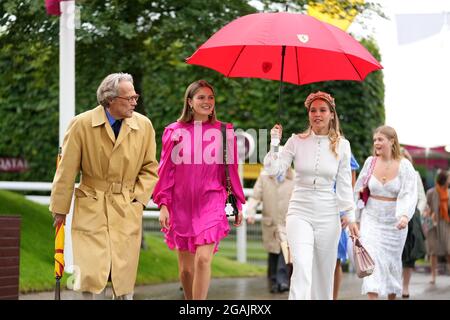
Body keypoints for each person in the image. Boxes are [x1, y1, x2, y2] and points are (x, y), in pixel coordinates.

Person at [50, 72, 159, 300]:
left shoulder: (144, 126)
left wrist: (138, 201)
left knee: (123, 276)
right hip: (91, 205)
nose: (134, 102)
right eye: (128, 98)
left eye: (135, 97)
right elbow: (66, 170)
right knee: (91, 273)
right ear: (110, 100)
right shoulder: (81, 124)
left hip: (126, 206)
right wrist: (60, 210)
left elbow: (150, 169)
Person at [152, 79, 245, 300]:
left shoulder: (224, 131)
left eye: (210, 97)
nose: (207, 101)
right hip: (181, 204)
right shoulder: (173, 132)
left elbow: (231, 171)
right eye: (201, 97)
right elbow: (165, 171)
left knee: (203, 258)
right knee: (185, 270)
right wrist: (164, 204)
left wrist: (238, 204)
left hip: (212, 200)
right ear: (190, 102)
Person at [265, 91, 359, 300]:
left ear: (331, 114)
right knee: (302, 266)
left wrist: (350, 216)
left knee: (324, 274)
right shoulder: (295, 141)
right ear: (308, 114)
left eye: (322, 110)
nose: (317, 114)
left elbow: (344, 183)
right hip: (299, 211)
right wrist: (274, 143)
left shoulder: (343, 145)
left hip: (329, 213)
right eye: (313, 110)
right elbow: (274, 170)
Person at [354, 125, 417, 300]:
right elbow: (359, 190)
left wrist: (404, 216)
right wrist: (356, 219)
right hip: (371, 219)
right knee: (372, 262)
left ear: (392, 141)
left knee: (391, 265)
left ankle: (392, 295)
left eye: (380, 139)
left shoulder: (405, 166)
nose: (376, 143)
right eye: (375, 140)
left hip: (394, 225)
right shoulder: (370, 162)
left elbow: (409, 193)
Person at [246, 163, 295, 294]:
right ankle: (273, 281)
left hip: (287, 222)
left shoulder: (294, 177)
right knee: (273, 252)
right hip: (271, 222)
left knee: (284, 251)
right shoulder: (264, 176)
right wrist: (250, 213)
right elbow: (255, 197)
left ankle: (282, 281)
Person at [400, 148, 426, 298]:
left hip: (411, 220)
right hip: (394, 219)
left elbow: (422, 198)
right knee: (396, 254)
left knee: (409, 256)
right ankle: (395, 283)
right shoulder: (391, 173)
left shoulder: (415, 175)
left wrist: (417, 213)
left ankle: (405, 287)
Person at [333, 153, 359, 300]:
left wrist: (346, 212)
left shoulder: (344, 150)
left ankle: (333, 298)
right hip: (317, 206)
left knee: (336, 260)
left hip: (339, 210)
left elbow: (351, 186)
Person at [424, 170, 450, 285]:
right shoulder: (431, 192)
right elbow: (426, 208)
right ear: (444, 180)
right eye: (448, 179)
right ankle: (433, 276)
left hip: (446, 225)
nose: (449, 181)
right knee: (433, 251)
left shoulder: (449, 193)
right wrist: (428, 213)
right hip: (433, 225)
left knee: (448, 251)